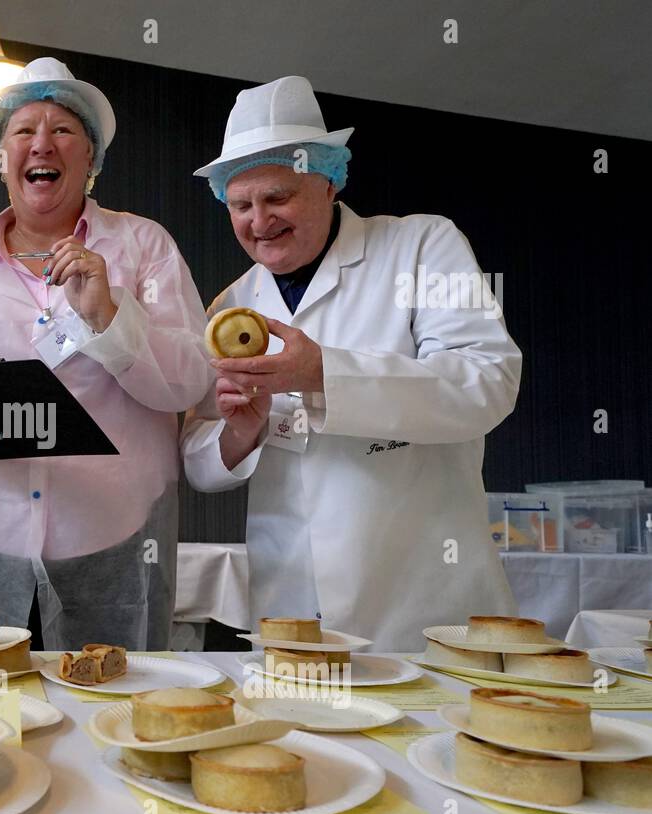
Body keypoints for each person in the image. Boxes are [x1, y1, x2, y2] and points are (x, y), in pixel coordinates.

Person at [181, 76, 522, 649]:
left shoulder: (424, 245)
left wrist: (322, 374)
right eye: (241, 204)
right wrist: (240, 434)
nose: (259, 221)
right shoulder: (230, 306)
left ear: (330, 181)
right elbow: (197, 460)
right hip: (291, 609)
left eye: (278, 198)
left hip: (420, 604)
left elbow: (488, 381)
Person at [0, 59, 212, 650]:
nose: (41, 143)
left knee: (114, 709)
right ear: (2, 159)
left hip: (118, 537)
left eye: (62, 130)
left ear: (90, 161)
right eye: (23, 131)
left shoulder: (143, 245)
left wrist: (108, 316)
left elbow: (189, 384)